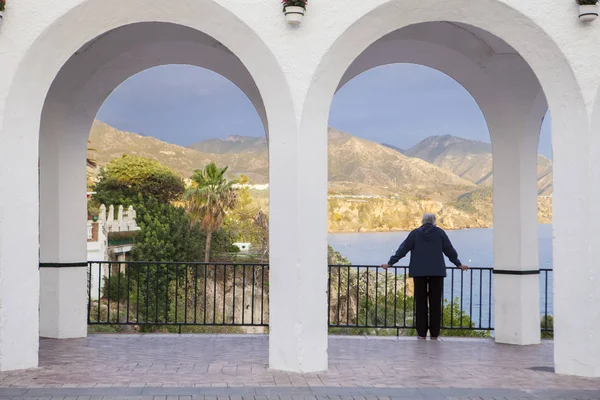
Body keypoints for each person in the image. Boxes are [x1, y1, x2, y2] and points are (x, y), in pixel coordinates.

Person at [381, 213, 468, 340]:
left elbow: (403, 249)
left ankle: (421, 333)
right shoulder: (440, 233)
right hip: (437, 272)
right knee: (435, 303)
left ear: (422, 221)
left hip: (419, 272)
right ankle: (434, 333)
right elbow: (449, 250)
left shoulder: (415, 233)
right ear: (434, 222)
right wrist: (458, 264)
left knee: (420, 303)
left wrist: (390, 263)